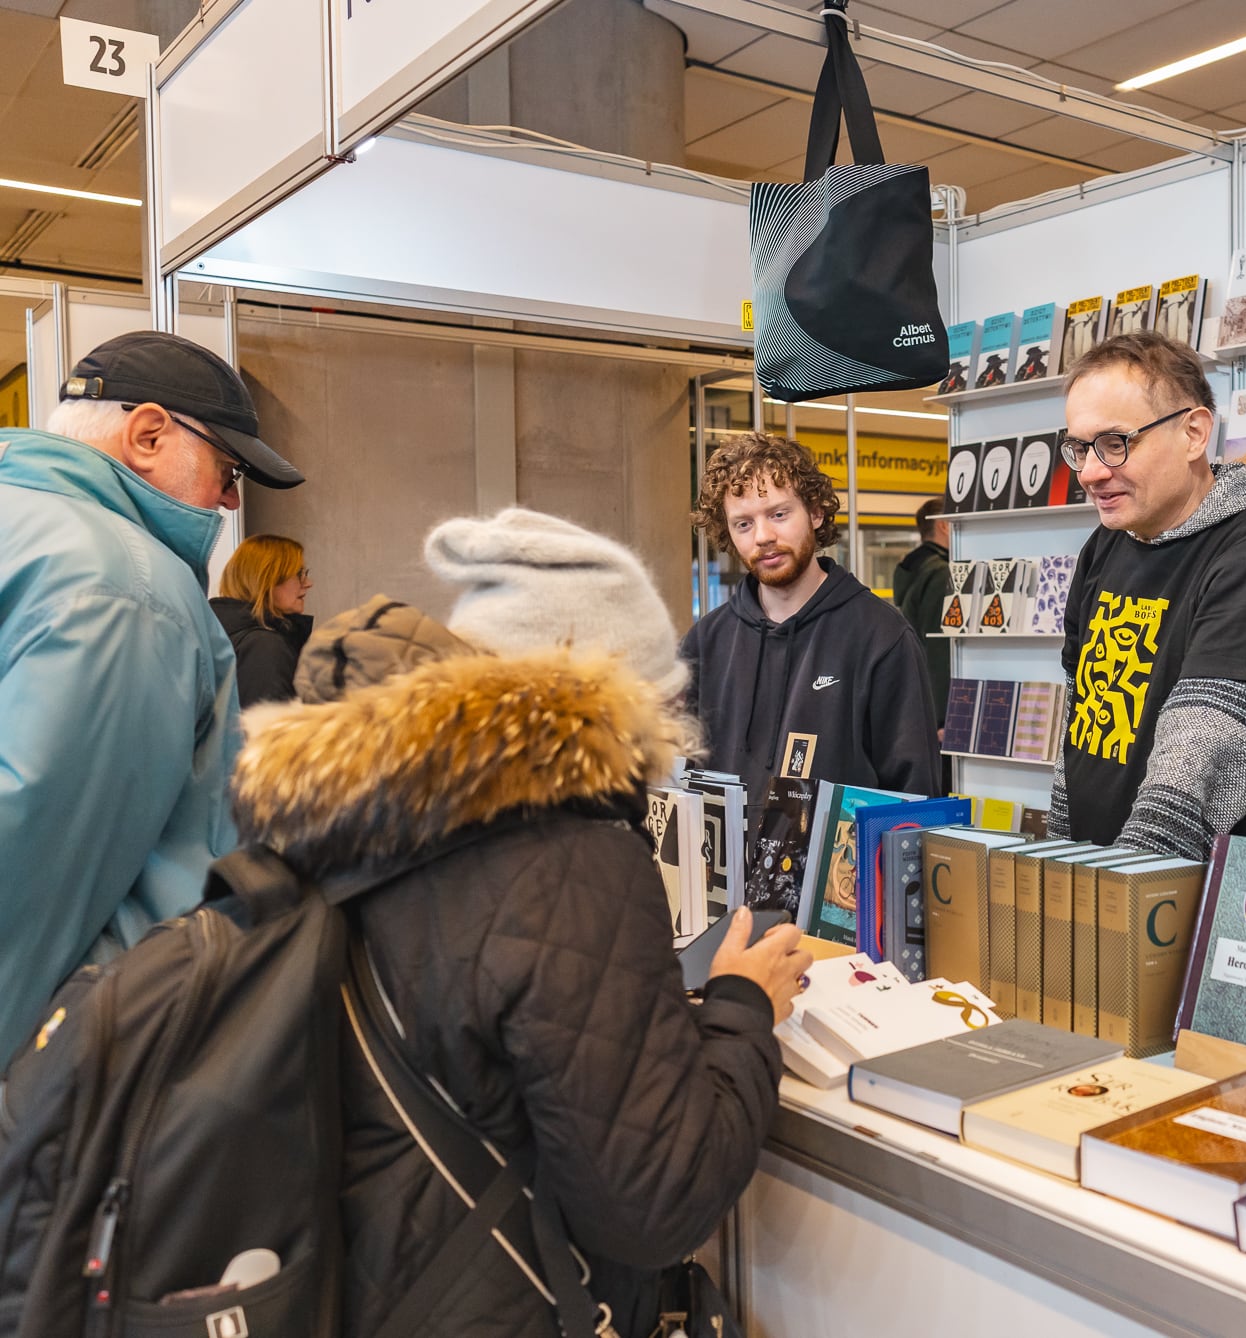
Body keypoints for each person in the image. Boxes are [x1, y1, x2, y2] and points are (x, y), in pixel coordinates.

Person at [233, 509, 808, 1335]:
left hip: (366, 1285)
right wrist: (743, 1006)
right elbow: (656, 1202)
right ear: (615, 698)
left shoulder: (352, 820)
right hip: (503, 1301)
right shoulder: (569, 864)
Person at [0, 330, 303, 1056]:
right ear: (147, 435)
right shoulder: (126, 587)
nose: (230, 499)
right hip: (84, 1046)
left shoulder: (22, 526)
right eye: (227, 468)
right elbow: (38, 867)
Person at [1049, 331, 1246, 861]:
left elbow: (1199, 763)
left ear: (1193, 433)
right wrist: (1063, 859)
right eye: (1079, 449)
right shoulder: (1105, 545)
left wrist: (1121, 889)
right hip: (1105, 881)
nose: (1090, 473)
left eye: (1115, 443)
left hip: (1230, 897)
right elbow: (1078, 728)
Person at [683, 433, 940, 807]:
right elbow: (680, 782)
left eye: (779, 514)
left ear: (816, 513)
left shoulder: (882, 637)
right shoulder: (704, 643)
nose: (763, 536)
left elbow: (915, 797)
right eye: (743, 524)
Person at [210, 533, 315, 706]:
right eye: (299, 574)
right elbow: (271, 721)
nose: (308, 583)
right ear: (267, 579)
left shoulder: (220, 629)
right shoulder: (265, 645)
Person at [892, 497, 953, 726]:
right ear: (943, 525)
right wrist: (941, 719)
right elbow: (938, 648)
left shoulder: (912, 568)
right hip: (937, 712)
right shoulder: (941, 574)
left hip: (917, 697)